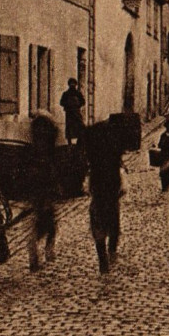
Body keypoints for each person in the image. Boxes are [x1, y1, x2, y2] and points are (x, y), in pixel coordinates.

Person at [82, 120, 125, 274]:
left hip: (99, 196)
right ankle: (111, 251)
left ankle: (103, 260)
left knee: (98, 228)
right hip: (111, 195)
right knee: (113, 224)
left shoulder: (94, 160)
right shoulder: (113, 159)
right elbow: (121, 187)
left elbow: (88, 186)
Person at [26, 113, 59, 272]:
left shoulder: (34, 138)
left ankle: (37, 249)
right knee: (49, 220)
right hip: (45, 178)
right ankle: (46, 250)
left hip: (34, 180)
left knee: (41, 215)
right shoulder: (49, 140)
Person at [59, 77, 86, 145]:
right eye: (71, 84)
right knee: (69, 127)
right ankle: (69, 143)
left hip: (77, 112)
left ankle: (79, 142)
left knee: (80, 126)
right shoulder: (66, 94)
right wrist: (68, 105)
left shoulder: (78, 93)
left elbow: (83, 102)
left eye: (73, 84)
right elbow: (61, 102)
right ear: (69, 84)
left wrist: (77, 105)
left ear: (75, 85)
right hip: (69, 113)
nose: (72, 85)